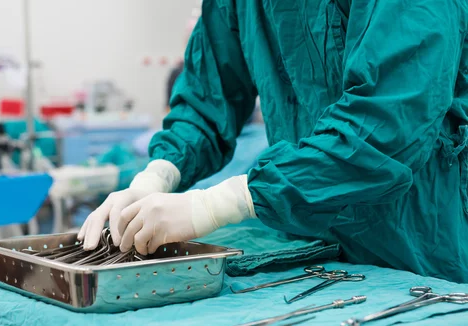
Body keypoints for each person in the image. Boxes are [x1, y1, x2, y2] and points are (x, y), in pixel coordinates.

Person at [79, 0, 468, 283]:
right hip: (309, 237)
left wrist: (225, 201)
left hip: (422, 242)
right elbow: (208, 97)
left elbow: (389, 126)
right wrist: (158, 174)